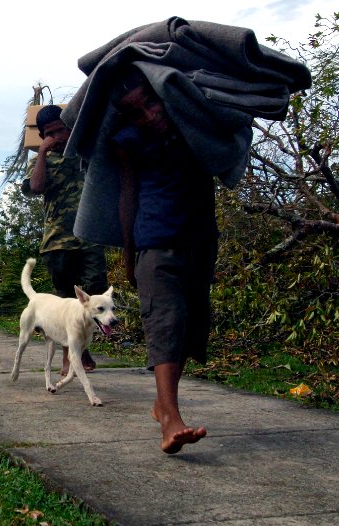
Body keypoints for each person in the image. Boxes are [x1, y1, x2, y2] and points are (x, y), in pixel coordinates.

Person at [113, 68, 214, 454]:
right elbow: (127, 198)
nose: (149, 115)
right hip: (155, 242)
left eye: (151, 102)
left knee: (187, 328)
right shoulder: (127, 141)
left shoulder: (193, 123)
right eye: (136, 112)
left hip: (201, 241)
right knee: (165, 322)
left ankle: (162, 405)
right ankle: (170, 420)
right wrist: (128, 254)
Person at [24, 104, 109, 376]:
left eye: (61, 130)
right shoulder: (41, 162)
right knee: (64, 302)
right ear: (43, 136)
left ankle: (80, 352)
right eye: (51, 133)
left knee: (95, 293)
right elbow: (35, 188)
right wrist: (43, 153)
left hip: (90, 239)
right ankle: (70, 359)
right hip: (58, 242)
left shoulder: (85, 154)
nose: (58, 137)